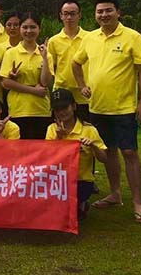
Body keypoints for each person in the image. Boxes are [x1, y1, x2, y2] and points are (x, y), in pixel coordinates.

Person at [72, 0, 141, 224]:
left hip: (124, 108)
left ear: (118, 12)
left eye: (108, 10)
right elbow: (76, 63)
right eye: (100, 11)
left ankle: (138, 203)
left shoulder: (132, 37)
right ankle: (115, 193)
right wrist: (82, 85)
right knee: (108, 152)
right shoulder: (90, 38)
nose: (104, 15)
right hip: (98, 107)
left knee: (130, 152)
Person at [45, 89, 108, 221]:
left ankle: (81, 204)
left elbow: (104, 158)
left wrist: (93, 146)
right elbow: (47, 157)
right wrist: (58, 138)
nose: (61, 112)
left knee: (73, 215)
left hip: (81, 180)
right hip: (58, 180)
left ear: (73, 106)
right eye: (57, 109)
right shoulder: (52, 129)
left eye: (65, 108)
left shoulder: (88, 130)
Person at [0, 12, 52, 139]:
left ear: (39, 29)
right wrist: (33, 90)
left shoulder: (46, 54)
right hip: (18, 109)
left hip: (41, 110)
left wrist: (45, 58)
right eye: (25, 27)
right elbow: (6, 82)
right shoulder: (11, 53)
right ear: (20, 29)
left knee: (40, 148)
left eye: (33, 27)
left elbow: (45, 82)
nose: (29, 31)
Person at [47, 0, 90, 121]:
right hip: (62, 92)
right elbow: (51, 68)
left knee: (87, 128)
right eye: (66, 14)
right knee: (62, 129)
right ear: (61, 16)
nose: (69, 17)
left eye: (73, 13)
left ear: (79, 15)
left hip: (85, 93)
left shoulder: (90, 38)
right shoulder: (54, 41)